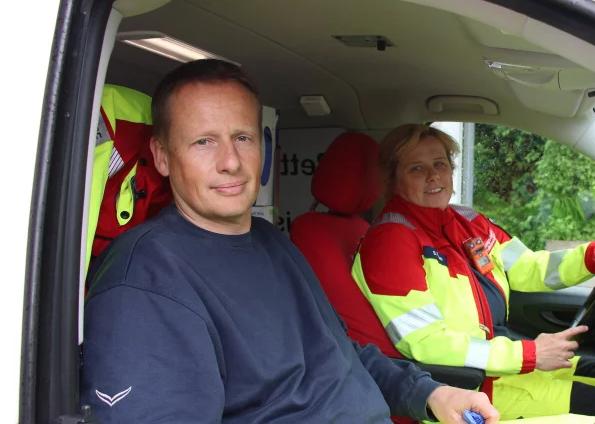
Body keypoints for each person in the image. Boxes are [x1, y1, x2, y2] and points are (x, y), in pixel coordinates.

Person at [79, 60, 501, 423]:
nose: (230, 162)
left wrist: (430, 394)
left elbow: (340, 351)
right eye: (203, 141)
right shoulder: (144, 283)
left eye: (242, 138)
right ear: (163, 156)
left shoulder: (271, 242)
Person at [351, 124, 595, 420]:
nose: (433, 175)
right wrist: (529, 355)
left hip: (499, 366)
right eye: (416, 168)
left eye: (440, 163)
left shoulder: (467, 221)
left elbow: (531, 268)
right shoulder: (391, 241)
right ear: (393, 180)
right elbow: (426, 341)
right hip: (465, 390)